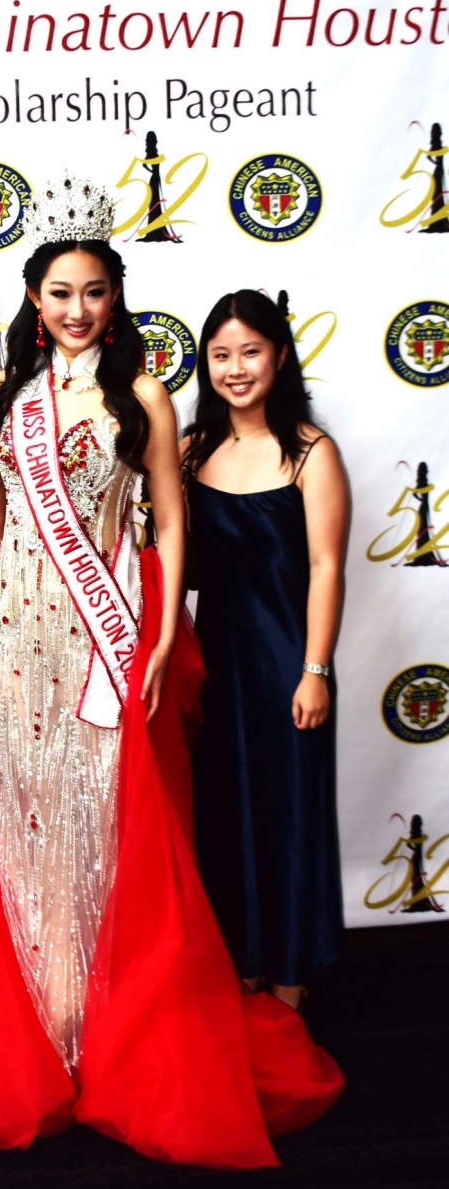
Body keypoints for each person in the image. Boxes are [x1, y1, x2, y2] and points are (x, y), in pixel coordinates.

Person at [0, 180, 343, 1167]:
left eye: (96, 292)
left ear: (117, 300)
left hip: (106, 637)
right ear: (37, 299)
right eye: (62, 292)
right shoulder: (4, 397)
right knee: (21, 820)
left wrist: (155, 641)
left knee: (106, 821)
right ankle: (38, 1016)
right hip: (19, 637)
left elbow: (171, 521)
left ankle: (101, 1019)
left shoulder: (144, 396)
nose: (79, 309)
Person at [183, 289, 350, 1014]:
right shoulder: (191, 449)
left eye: (250, 351)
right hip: (213, 664)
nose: (235, 368)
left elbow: (326, 567)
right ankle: (240, 963)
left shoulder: (312, 451)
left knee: (290, 813)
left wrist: (315, 670)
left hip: (287, 661)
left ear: (280, 355)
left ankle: (288, 975)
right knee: (224, 812)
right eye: (221, 354)